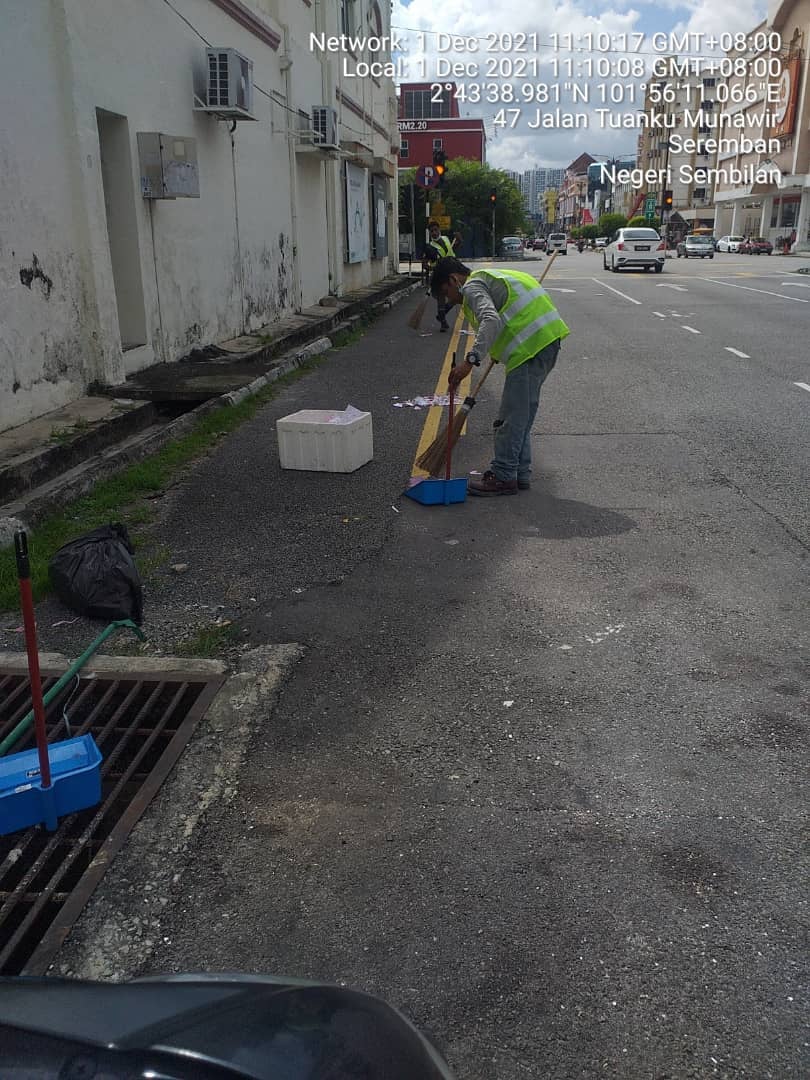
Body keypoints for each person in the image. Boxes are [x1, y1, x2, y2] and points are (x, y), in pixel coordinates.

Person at [430, 257, 569, 496]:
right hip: (544, 343)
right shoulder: (489, 279)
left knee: (510, 418)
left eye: (446, 292)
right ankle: (519, 473)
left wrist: (470, 361)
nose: (449, 299)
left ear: (454, 279)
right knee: (521, 416)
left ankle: (503, 476)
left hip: (530, 349)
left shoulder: (472, 286)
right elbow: (505, 314)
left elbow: (491, 318)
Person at [422, 222, 458, 331]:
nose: (434, 232)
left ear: (439, 230)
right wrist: (434, 269)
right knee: (441, 298)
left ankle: (444, 312)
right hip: (439, 275)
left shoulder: (446, 239)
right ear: (429, 233)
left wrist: (458, 241)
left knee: (458, 294)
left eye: (435, 230)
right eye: (431, 231)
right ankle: (443, 322)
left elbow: (453, 250)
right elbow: (424, 264)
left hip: (452, 270)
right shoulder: (429, 248)